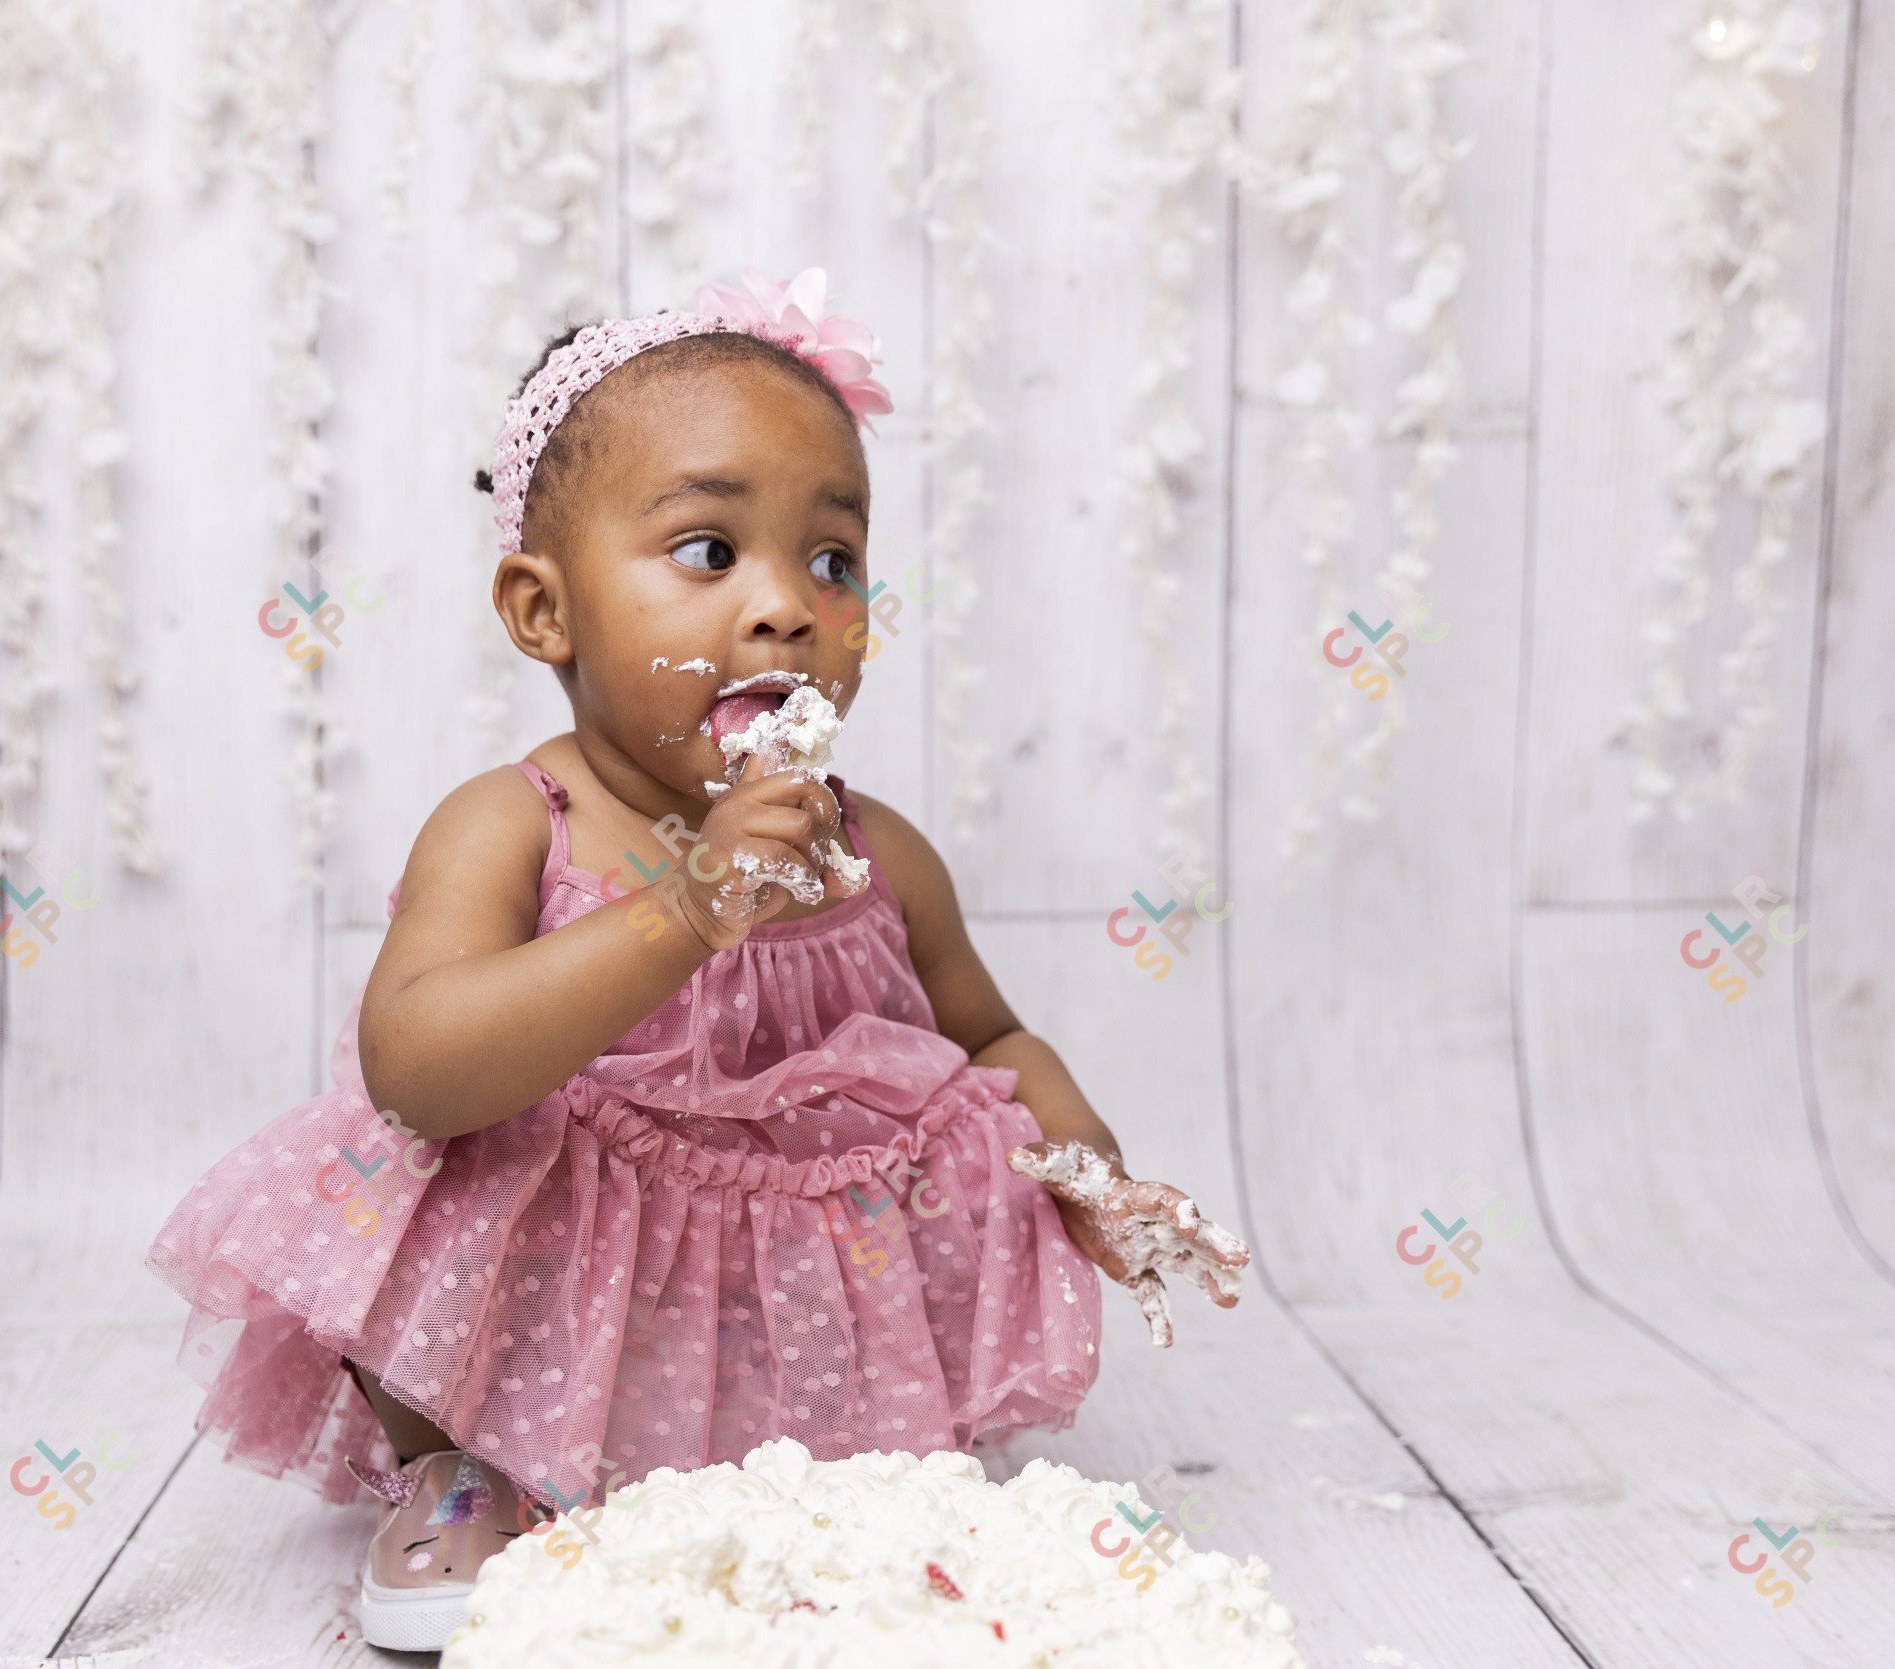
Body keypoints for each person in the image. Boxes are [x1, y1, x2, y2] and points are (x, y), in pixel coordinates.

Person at [147, 267, 1245, 1650]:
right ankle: (464, 1465)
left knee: (973, 1129)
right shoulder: (515, 825)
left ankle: (823, 1471)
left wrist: (1092, 1173)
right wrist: (686, 907)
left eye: (834, 560)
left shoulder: (877, 854)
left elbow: (997, 1047)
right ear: (545, 612)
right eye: (710, 553)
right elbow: (414, 1068)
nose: (788, 605)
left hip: (783, 1282)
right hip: (567, 1264)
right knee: (435, 1167)